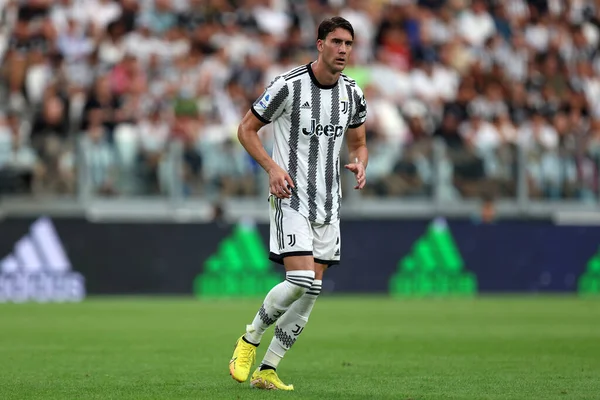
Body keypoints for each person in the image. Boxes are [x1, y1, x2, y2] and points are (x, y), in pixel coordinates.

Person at [229, 16, 368, 391]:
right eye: (336, 42)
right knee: (301, 278)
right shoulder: (287, 86)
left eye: (349, 44)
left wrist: (361, 162)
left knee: (312, 289)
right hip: (290, 197)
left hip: (329, 204)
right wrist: (272, 168)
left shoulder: (353, 93)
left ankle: (268, 369)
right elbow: (246, 129)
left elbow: (359, 142)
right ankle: (249, 339)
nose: (343, 50)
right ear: (319, 44)